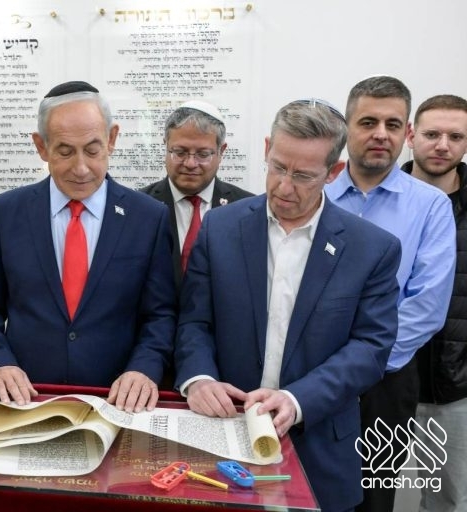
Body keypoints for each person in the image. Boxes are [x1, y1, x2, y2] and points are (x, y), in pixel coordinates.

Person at [174, 99, 402, 512]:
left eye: (302, 176)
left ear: (333, 172)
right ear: (267, 148)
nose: (283, 186)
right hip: (222, 436)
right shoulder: (220, 228)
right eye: (278, 167)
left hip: (318, 446)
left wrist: (298, 400)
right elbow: (194, 321)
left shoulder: (372, 248)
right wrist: (199, 378)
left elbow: (370, 348)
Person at [0, 80, 176, 413]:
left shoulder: (148, 217)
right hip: (27, 400)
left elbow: (160, 314)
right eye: (64, 151)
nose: (81, 168)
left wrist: (144, 368)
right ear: (41, 146)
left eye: (92, 150)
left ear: (112, 139)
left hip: (116, 402)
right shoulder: (7, 212)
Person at [324, 76, 456, 512]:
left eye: (393, 124)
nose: (381, 134)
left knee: (373, 498)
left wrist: (363, 363)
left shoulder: (430, 206)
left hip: (386, 379)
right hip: (312, 373)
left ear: (406, 133)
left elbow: (427, 306)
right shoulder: (317, 196)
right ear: (346, 127)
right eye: (368, 122)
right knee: (307, 490)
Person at [405, 94, 467, 512]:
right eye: (432, 134)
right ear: (411, 136)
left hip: (456, 387)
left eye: (455, 136)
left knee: (449, 501)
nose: (442, 145)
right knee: (366, 493)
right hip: (381, 379)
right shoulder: (379, 198)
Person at [142, 100, 253, 290]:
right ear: (166, 146)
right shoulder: (140, 208)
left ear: (221, 151)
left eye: (203, 154)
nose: (190, 163)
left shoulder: (247, 209)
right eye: (180, 152)